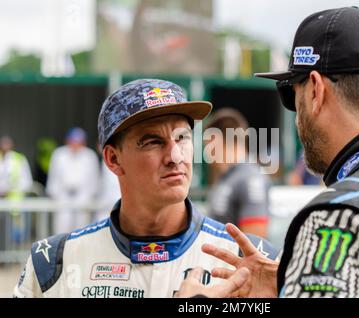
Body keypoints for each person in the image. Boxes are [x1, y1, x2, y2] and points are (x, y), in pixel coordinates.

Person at [177, 7, 359, 298]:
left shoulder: (340, 215)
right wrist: (287, 288)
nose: (296, 116)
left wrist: (197, 304)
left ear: (316, 90)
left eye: (291, 96)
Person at [13, 79, 278, 298]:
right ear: (113, 159)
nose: (175, 156)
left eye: (182, 137)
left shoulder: (248, 264)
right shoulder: (53, 265)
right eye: (152, 142)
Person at [204, 108, 271, 238]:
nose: (208, 155)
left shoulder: (250, 179)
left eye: (207, 146)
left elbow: (255, 244)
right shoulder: (227, 177)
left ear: (215, 139)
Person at [46, 127, 100, 234]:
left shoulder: (89, 155)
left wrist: (91, 196)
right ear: (68, 141)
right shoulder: (59, 154)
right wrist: (54, 195)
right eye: (73, 141)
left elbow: (95, 178)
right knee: (61, 227)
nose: (75, 144)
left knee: (82, 227)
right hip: (63, 196)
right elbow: (53, 176)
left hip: (83, 196)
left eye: (78, 142)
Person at [0, 135, 33, 245]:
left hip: (14, 204)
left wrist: (11, 189)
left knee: (14, 235)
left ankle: (12, 259)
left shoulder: (19, 159)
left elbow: (27, 182)